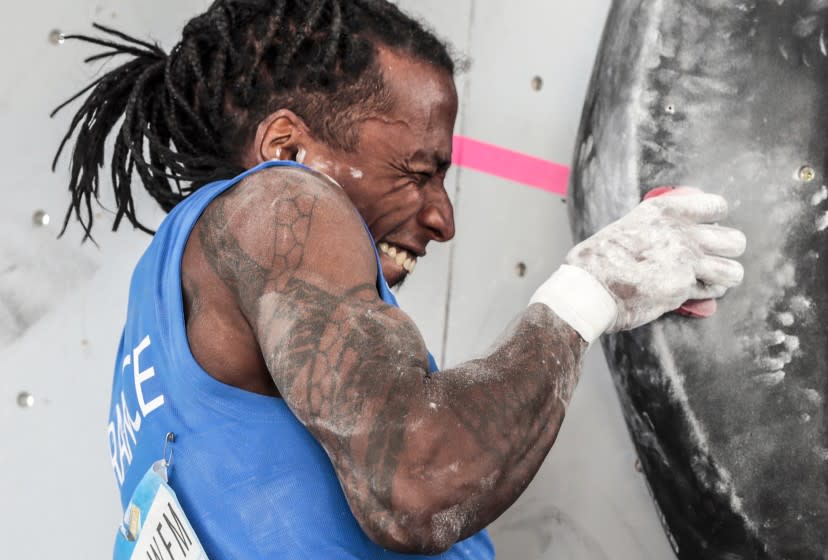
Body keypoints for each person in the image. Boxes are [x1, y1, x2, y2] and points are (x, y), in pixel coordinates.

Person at [53, 1, 747, 558]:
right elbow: (417, 483)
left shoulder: (160, 309)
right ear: (288, 148)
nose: (442, 218)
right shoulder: (279, 202)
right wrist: (593, 289)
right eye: (418, 171)